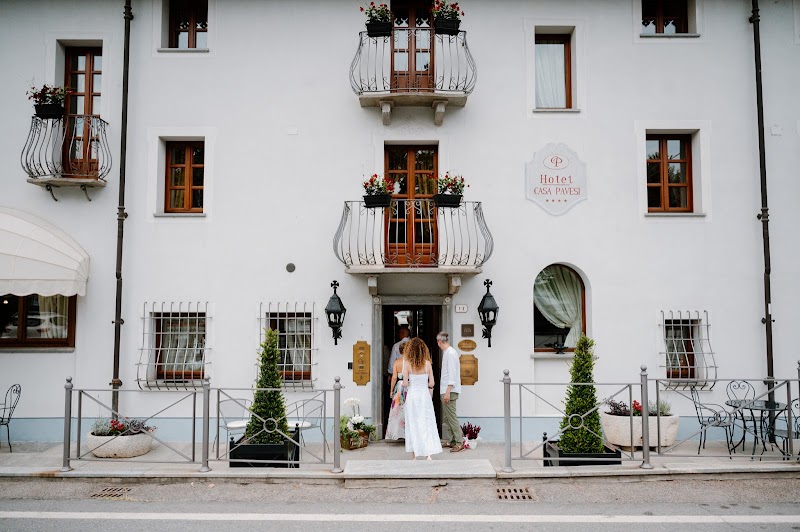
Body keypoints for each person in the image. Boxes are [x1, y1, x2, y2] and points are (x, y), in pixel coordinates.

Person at [401, 337, 443, 460]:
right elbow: (432, 383)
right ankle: (428, 454)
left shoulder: (407, 364)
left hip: (413, 397)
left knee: (413, 424)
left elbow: (405, 383)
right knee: (426, 422)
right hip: (424, 396)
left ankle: (414, 454)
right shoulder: (427, 364)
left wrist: (409, 383)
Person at [437, 331, 464, 452]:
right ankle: (453, 440)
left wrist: (448, 392)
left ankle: (459, 442)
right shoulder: (448, 353)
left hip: (449, 390)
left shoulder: (451, 353)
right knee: (448, 418)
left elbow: (452, 375)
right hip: (447, 389)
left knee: (451, 417)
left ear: (439, 342)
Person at [385, 356, 406, 440]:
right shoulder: (412, 361)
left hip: (400, 386)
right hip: (409, 385)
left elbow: (394, 377)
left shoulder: (397, 362)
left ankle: (395, 433)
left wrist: (391, 390)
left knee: (397, 410)